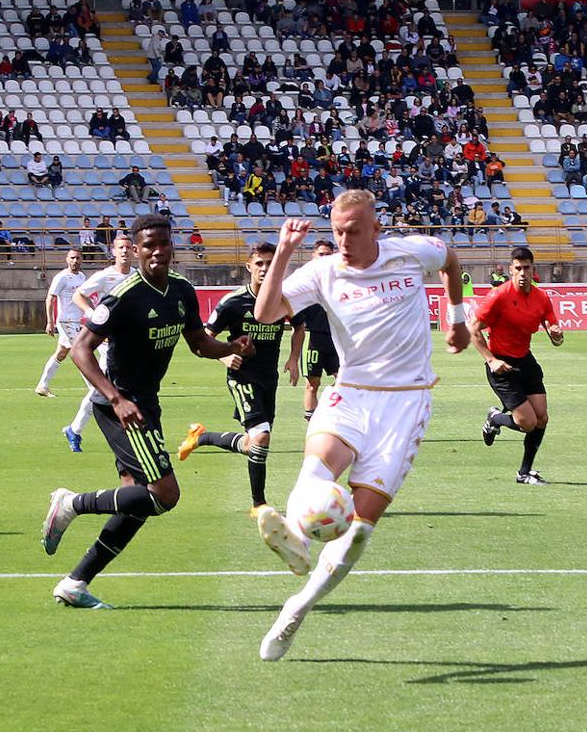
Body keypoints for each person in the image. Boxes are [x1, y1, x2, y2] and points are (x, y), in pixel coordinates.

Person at [249, 191, 470, 660]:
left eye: (353, 230)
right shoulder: (323, 272)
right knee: (316, 469)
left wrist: (456, 317)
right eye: (337, 231)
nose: (344, 240)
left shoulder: (410, 252)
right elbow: (265, 314)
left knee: (360, 529)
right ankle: (294, 536)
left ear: (375, 228)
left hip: (406, 405)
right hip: (350, 393)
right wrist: (284, 252)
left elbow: (452, 260)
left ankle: (297, 608)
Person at [39, 214, 255, 608]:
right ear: (136, 251)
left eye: (164, 243)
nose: (157, 251)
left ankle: (75, 584)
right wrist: (116, 399)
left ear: (173, 247)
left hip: (146, 403)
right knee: (165, 495)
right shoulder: (124, 295)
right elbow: (82, 350)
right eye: (148, 245)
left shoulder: (182, 292)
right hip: (119, 404)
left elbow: (199, 344)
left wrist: (231, 347)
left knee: (135, 501)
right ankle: (70, 503)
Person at [177, 242, 299, 511]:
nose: (265, 269)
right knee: (261, 437)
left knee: (251, 443)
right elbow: (204, 340)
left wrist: (293, 358)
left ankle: (201, 436)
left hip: (269, 379)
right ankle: (259, 504)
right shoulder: (232, 302)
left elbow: (299, 327)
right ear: (249, 267)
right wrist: (222, 356)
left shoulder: (283, 298)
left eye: (270, 263)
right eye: (260, 264)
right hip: (242, 376)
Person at [475, 247, 565, 485]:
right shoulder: (498, 296)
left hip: (525, 360)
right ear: (511, 270)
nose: (522, 272)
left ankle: (524, 473)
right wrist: (491, 360)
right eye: (518, 268)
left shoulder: (542, 298)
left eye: (526, 268)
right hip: (502, 364)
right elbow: (473, 329)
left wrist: (557, 335)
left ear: (533, 269)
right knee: (528, 423)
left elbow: (556, 339)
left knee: (542, 418)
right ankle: (495, 419)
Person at [61, 234, 134, 451]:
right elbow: (78, 295)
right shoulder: (105, 276)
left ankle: (75, 429)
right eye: (120, 247)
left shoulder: (137, 276)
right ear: (113, 251)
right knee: (101, 389)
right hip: (107, 341)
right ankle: (75, 429)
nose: (124, 251)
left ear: (134, 251)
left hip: (128, 341)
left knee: (121, 387)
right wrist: (93, 314)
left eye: (128, 248)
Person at [287, 239, 339, 421]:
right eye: (321, 254)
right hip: (314, 341)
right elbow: (297, 324)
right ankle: (313, 424)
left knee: (345, 382)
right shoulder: (304, 281)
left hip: (337, 341)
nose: (325, 258)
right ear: (313, 256)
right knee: (312, 385)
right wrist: (293, 358)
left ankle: (332, 411)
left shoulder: (341, 280)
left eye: (328, 255)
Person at [34, 249, 87, 398]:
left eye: (77, 258)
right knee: (81, 352)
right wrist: (50, 322)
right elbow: (50, 299)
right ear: (67, 259)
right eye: (72, 258)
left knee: (61, 353)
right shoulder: (62, 277)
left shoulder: (82, 276)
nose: (75, 261)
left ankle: (42, 386)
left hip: (77, 320)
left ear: (81, 259)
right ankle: (95, 389)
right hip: (67, 321)